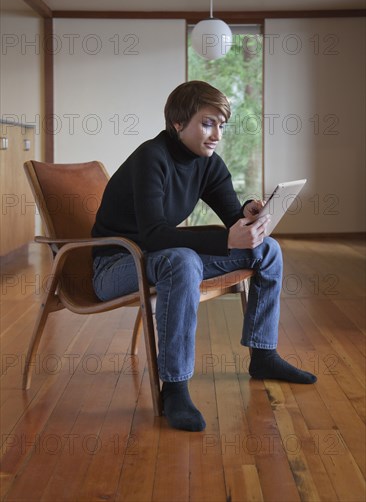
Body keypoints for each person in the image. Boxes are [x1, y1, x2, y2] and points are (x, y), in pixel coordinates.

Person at [92, 81, 316, 432]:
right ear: (179, 123)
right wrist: (229, 237)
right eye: (208, 123)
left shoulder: (207, 161)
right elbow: (153, 234)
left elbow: (231, 217)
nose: (217, 135)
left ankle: (263, 355)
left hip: (157, 260)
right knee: (183, 260)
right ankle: (175, 388)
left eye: (221, 125)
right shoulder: (151, 158)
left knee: (267, 249)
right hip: (115, 264)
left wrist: (248, 212)